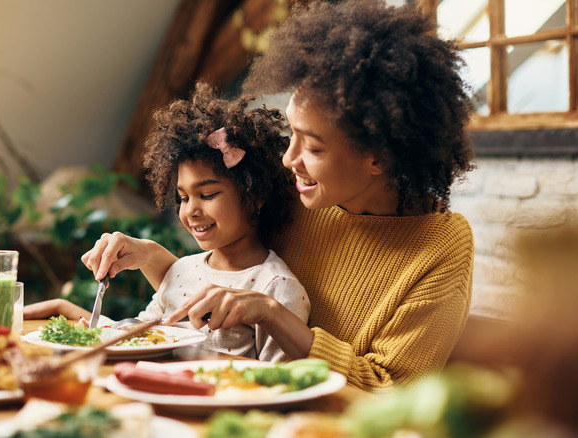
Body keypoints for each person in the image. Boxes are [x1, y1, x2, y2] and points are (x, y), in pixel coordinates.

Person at [81, 0, 475, 391]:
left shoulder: (439, 247)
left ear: (380, 156)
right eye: (293, 134)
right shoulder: (299, 194)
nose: (289, 159)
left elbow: (389, 393)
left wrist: (273, 314)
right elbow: (223, 277)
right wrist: (149, 255)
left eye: (314, 148)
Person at [26, 82, 309, 362]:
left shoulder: (274, 286)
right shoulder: (181, 270)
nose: (191, 211)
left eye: (207, 194)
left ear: (255, 194)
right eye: (183, 198)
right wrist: (67, 311)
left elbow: (282, 380)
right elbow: (135, 338)